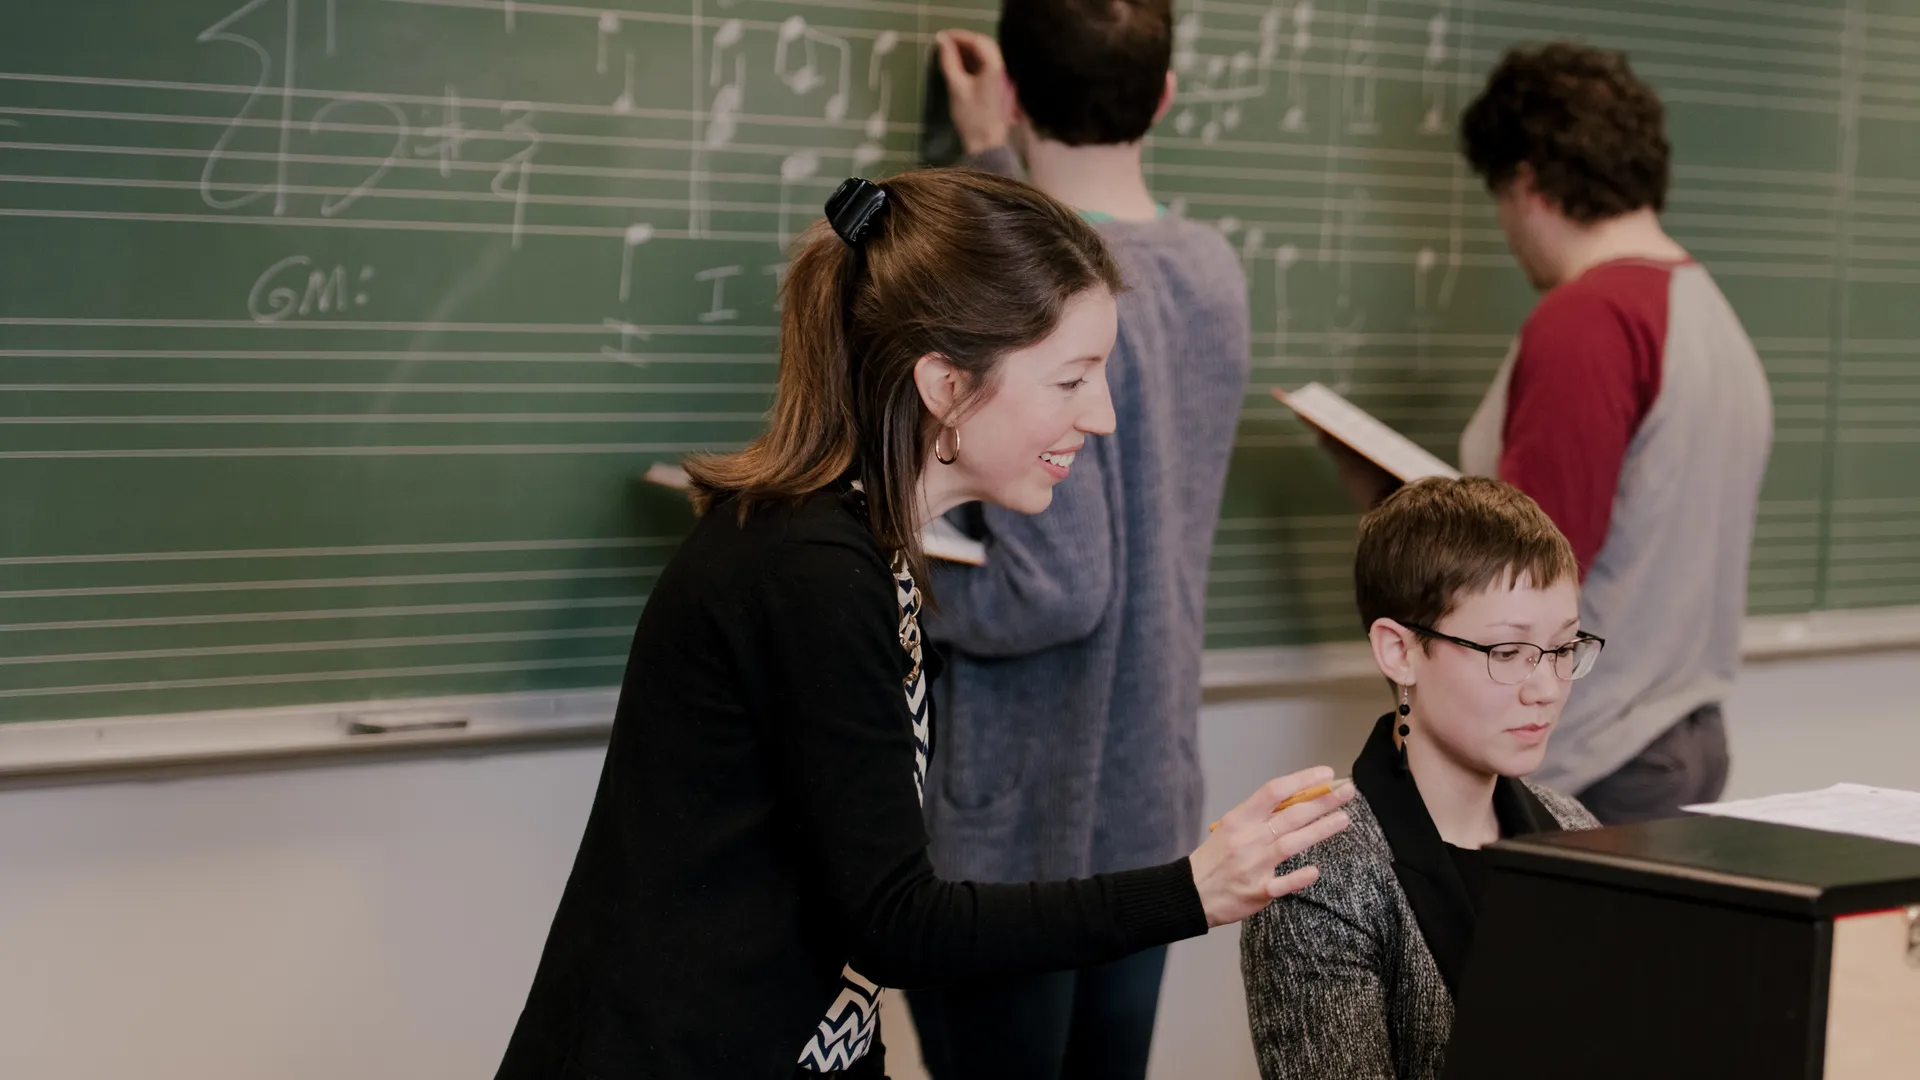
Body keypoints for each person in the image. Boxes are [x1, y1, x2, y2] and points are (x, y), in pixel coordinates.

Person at [492, 169, 1352, 1080]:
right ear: (946, 383)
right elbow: (897, 925)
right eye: (1071, 379)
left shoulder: (861, 548)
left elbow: (844, 941)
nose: (1099, 417)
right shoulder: (810, 573)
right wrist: (1191, 889)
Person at [904, 6, 1254, 1077]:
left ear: (1012, 88)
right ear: (1164, 95)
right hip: (1146, 807)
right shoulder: (1210, 271)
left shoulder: (1038, 300)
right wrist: (991, 157)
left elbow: (1055, 591)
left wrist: (902, 584)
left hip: (1020, 828)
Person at [1328, 42, 1773, 823]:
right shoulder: (1708, 309)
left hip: (1597, 756)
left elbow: (1520, 572)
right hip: (1678, 732)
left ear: (1527, 183)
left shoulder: (1589, 321)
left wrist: (1389, 506)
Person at [1239, 477, 1603, 1080]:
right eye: (1507, 653)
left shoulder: (1574, 827)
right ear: (1400, 652)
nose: (1546, 689)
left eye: (1564, 648)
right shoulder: (1317, 876)